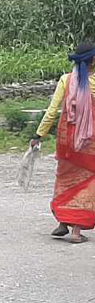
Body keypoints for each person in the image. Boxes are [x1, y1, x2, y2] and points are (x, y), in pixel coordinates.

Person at [31, 41, 95, 244]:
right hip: (88, 141)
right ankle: (76, 230)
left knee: (65, 178)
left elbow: (51, 112)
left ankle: (62, 222)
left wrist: (38, 135)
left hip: (66, 139)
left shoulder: (66, 80)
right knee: (86, 182)